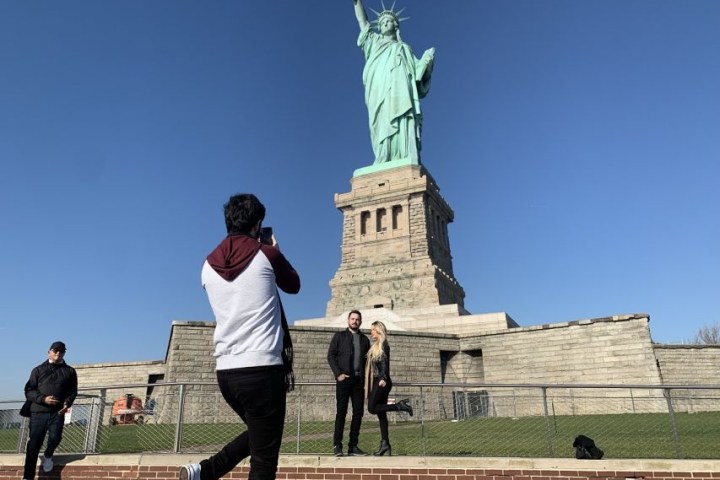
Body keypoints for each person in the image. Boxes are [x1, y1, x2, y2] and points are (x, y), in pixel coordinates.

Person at [180, 193, 301, 480]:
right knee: (264, 459)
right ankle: (206, 470)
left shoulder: (207, 266)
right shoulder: (267, 254)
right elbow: (294, 285)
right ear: (258, 223)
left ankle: (204, 471)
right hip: (262, 368)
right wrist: (276, 251)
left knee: (261, 436)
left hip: (226, 372)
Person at [353, 0, 436, 165]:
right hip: (378, 88)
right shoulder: (374, 42)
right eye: (382, 22)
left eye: (389, 21)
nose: (384, 23)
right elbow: (363, 22)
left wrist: (427, 61)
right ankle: (383, 155)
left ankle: (404, 154)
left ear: (396, 25)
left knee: (403, 115)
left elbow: (417, 72)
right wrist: (357, 2)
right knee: (382, 119)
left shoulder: (404, 48)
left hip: (401, 90)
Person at [22, 341, 78, 480]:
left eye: (61, 351)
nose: (58, 353)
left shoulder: (70, 371)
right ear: (49, 351)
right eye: (55, 350)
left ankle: (48, 455)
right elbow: (29, 391)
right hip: (38, 412)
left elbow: (73, 391)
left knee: (55, 437)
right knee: (34, 445)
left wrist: (68, 403)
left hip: (57, 412)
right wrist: (43, 399)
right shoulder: (38, 370)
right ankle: (27, 477)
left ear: (64, 353)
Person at [365, 321, 412, 456]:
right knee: (381, 414)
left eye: (373, 330)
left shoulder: (384, 345)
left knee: (372, 408)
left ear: (378, 331)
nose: (371, 332)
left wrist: (383, 378)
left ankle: (399, 406)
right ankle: (385, 444)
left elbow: (385, 363)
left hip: (382, 381)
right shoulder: (375, 346)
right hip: (379, 380)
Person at [327, 310, 371, 456]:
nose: (355, 321)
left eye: (357, 319)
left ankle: (353, 447)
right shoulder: (339, 336)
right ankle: (337, 445)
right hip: (344, 380)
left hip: (358, 381)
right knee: (341, 413)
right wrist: (338, 374)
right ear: (348, 320)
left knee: (358, 413)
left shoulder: (365, 340)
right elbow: (330, 356)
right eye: (352, 319)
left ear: (361, 321)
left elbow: (368, 362)